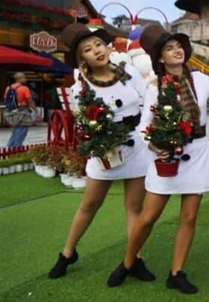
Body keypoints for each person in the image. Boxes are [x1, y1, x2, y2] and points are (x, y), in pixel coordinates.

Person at [107, 25, 209, 294]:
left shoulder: (202, 80)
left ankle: (177, 272)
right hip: (167, 156)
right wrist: (153, 145)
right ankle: (128, 263)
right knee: (149, 216)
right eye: (170, 48)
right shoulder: (156, 87)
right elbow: (143, 126)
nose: (177, 51)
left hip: (197, 152)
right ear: (160, 57)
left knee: (189, 216)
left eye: (179, 46)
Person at [48, 23, 154, 280]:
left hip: (135, 144)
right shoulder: (82, 86)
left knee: (134, 206)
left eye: (98, 44)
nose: (96, 51)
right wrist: (101, 142)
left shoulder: (127, 71)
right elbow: (84, 122)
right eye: (87, 49)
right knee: (90, 203)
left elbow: (149, 97)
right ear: (81, 57)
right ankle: (67, 253)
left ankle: (134, 260)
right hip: (104, 149)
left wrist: (142, 131)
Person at [4, 72, 36, 148]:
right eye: (24, 77)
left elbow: (6, 98)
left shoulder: (8, 88)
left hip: (11, 112)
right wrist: (35, 110)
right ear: (19, 79)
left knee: (16, 129)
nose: (26, 79)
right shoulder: (24, 88)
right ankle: (16, 148)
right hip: (22, 112)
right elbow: (30, 100)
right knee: (22, 130)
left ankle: (10, 146)